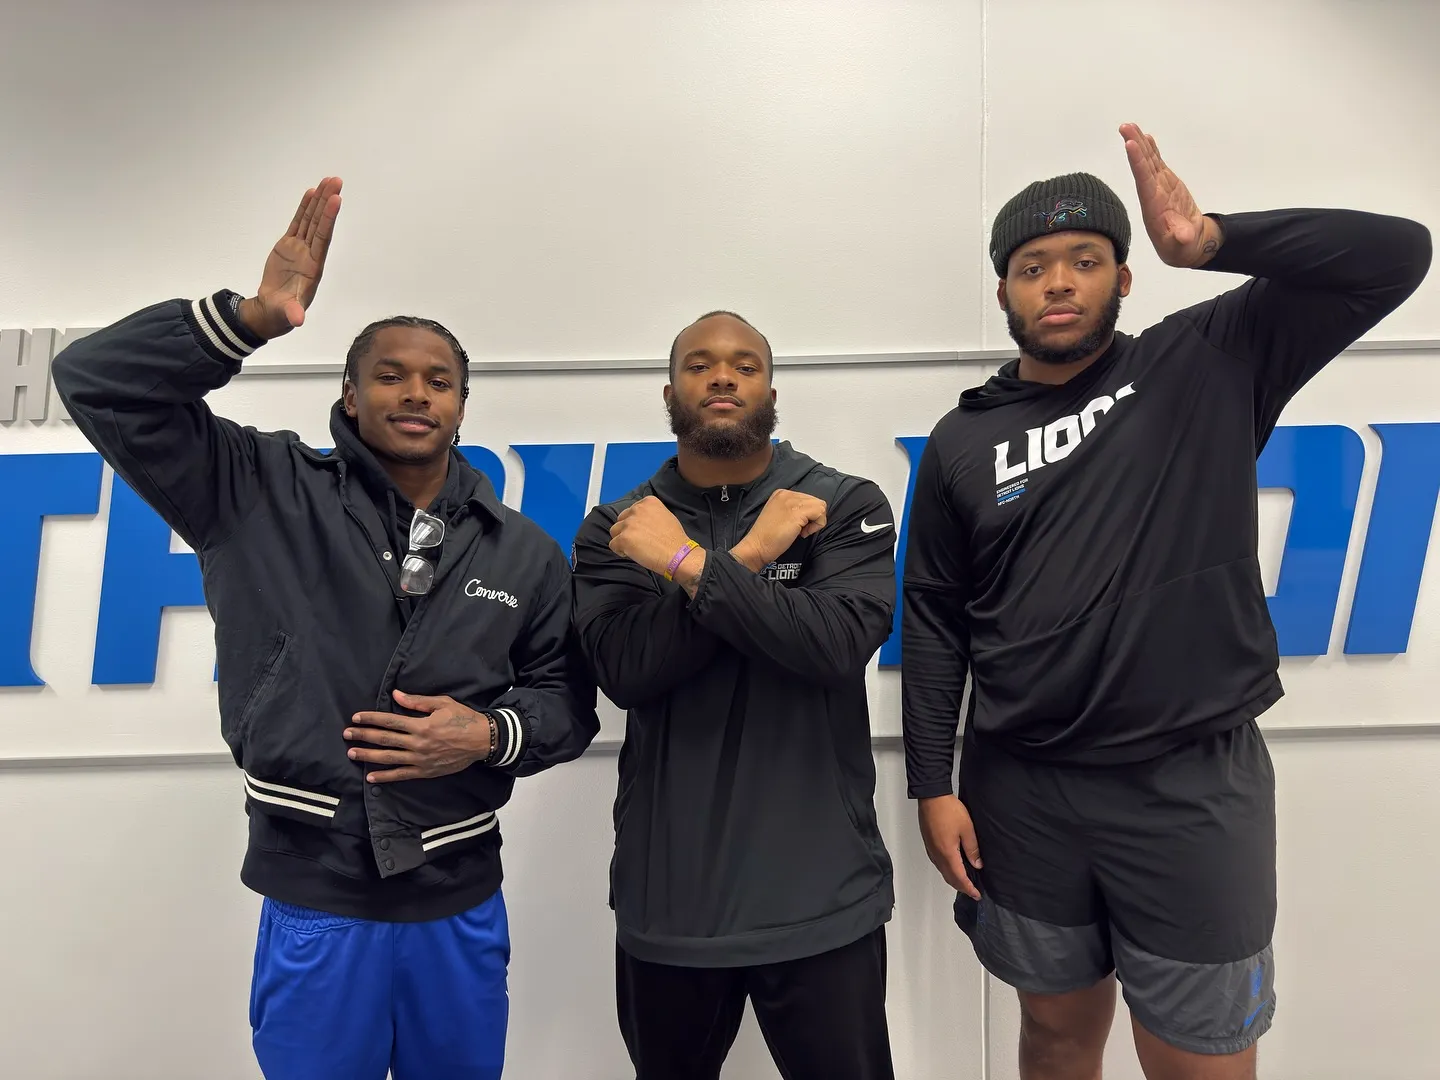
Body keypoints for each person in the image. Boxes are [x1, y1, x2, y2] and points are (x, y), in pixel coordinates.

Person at [900, 123, 1432, 1080]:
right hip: (1023, 789)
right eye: (1032, 267)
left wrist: (1212, 239)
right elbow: (935, 619)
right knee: (1055, 1036)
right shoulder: (959, 441)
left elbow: (1397, 255)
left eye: (1084, 259)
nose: (1058, 282)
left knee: (1200, 1060)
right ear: (1004, 291)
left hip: (1189, 790)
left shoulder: (1206, 358)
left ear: (1125, 276)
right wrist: (933, 785)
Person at [52, 177, 601, 1080]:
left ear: (462, 406)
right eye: (390, 375)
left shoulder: (522, 551)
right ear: (349, 396)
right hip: (316, 895)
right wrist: (248, 319)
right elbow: (95, 380)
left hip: (458, 899)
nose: (415, 393)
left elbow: (566, 703)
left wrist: (488, 733)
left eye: (439, 381)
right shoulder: (255, 487)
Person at [570, 311, 899, 1080]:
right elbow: (629, 669)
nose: (723, 377)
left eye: (745, 365)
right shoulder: (620, 529)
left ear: (771, 392)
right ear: (670, 393)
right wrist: (746, 557)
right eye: (700, 364)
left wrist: (688, 567)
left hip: (822, 897)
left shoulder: (842, 503)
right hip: (670, 904)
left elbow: (833, 647)